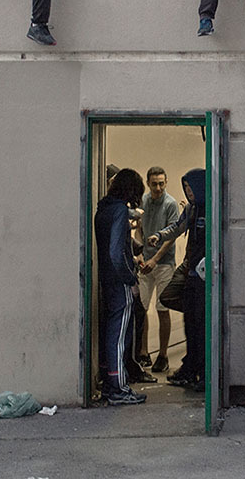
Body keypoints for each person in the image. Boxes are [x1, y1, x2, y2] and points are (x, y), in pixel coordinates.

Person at [148, 169, 207, 391]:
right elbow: (178, 227)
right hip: (190, 274)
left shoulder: (211, 209)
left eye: (191, 188)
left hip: (203, 278)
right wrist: (160, 236)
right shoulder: (192, 210)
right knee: (190, 323)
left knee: (200, 327)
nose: (189, 193)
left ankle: (199, 370)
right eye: (186, 189)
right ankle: (191, 367)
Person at [93, 168, 148, 405]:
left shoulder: (103, 209)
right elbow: (117, 252)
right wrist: (130, 277)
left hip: (106, 279)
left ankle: (110, 384)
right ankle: (118, 388)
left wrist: (134, 246)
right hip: (119, 282)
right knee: (120, 336)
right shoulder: (118, 211)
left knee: (111, 332)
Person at [136, 167, 182, 373]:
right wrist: (138, 254)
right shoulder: (143, 201)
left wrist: (155, 259)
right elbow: (139, 228)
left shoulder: (170, 204)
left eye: (161, 183)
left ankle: (163, 355)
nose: (158, 187)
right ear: (148, 183)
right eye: (154, 183)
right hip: (145, 262)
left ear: (166, 182)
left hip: (163, 263)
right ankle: (143, 352)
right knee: (141, 307)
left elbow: (171, 236)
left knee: (163, 308)